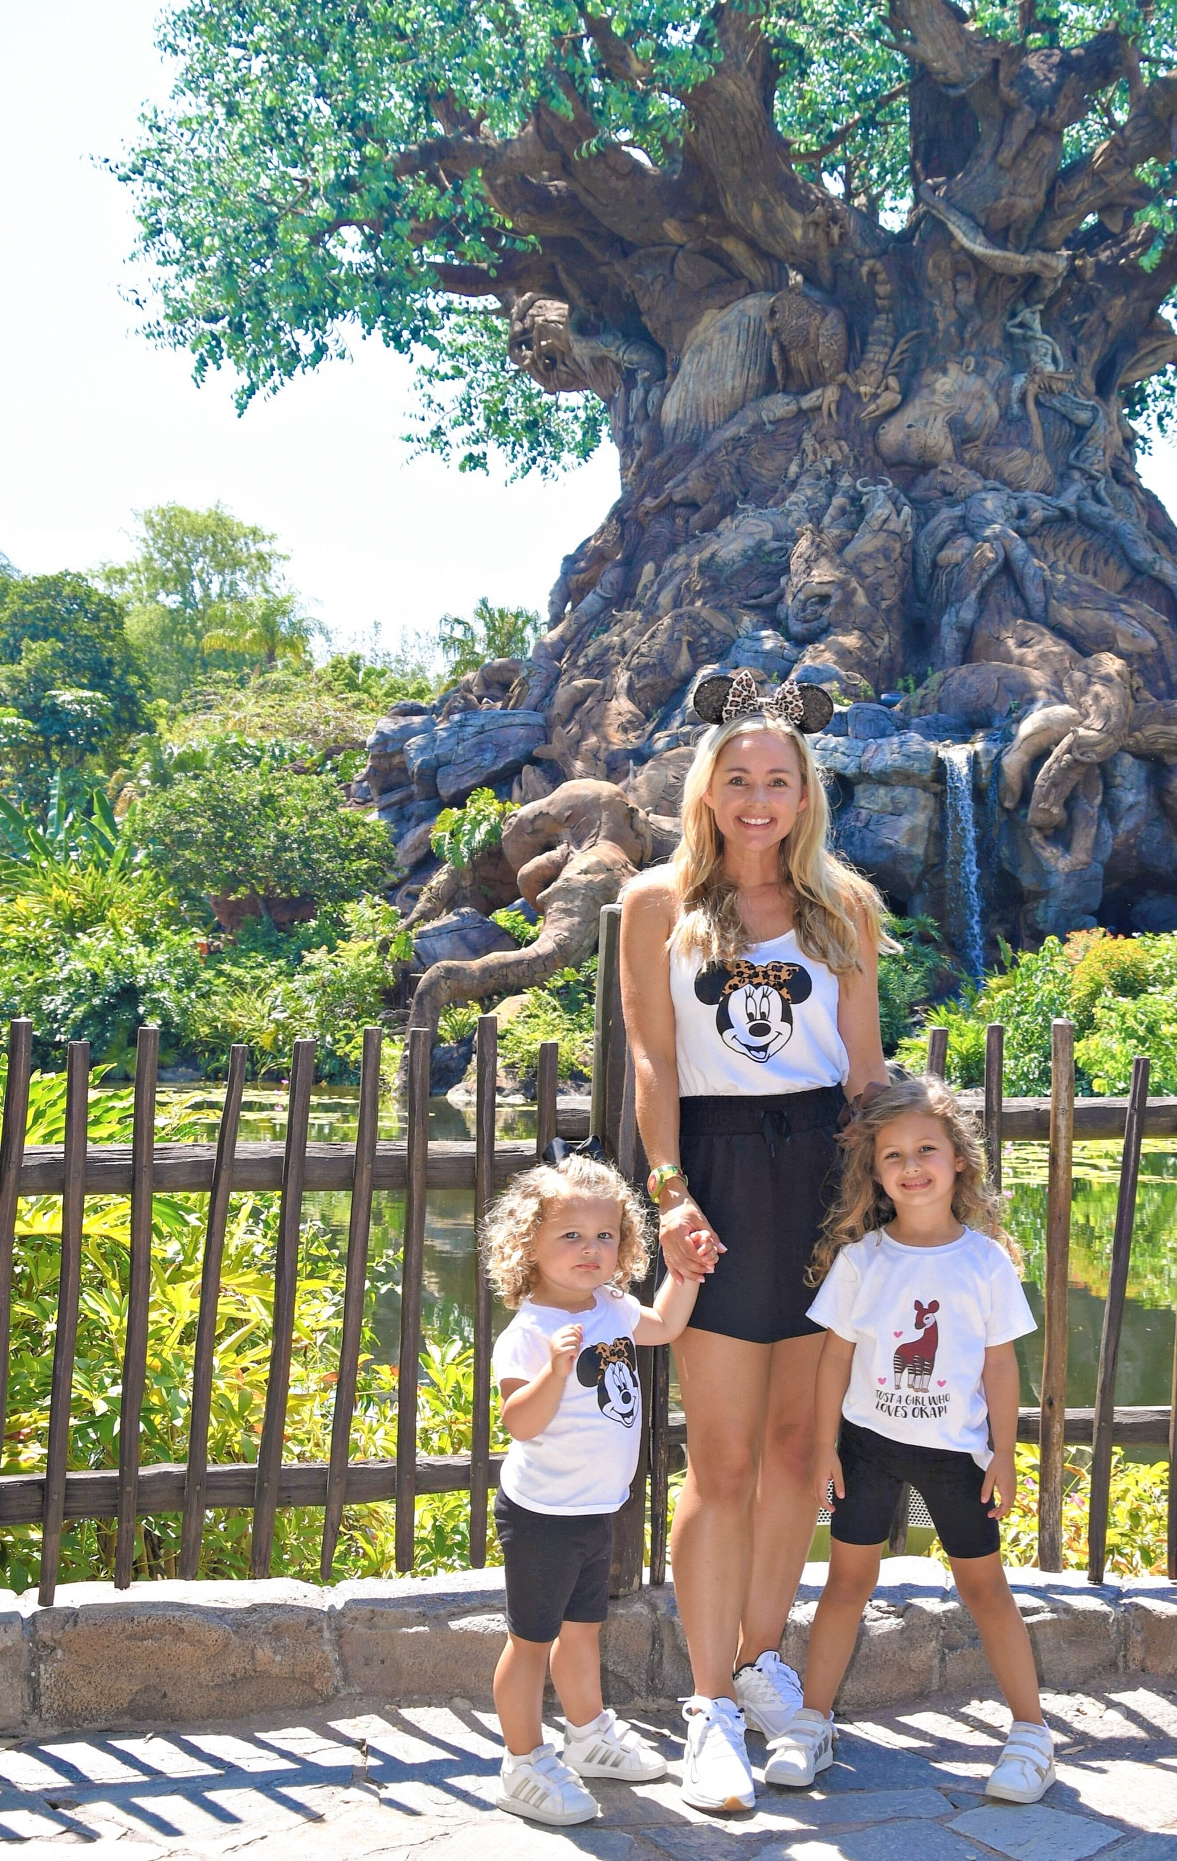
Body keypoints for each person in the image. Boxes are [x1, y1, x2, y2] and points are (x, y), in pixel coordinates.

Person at [619, 669, 890, 1813]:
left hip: (825, 1171)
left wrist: (881, 1212)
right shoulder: (653, 904)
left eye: (779, 779)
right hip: (717, 1175)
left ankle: (762, 1666)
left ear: (805, 792)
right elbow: (653, 1061)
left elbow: (868, 1072)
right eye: (739, 777)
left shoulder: (845, 909)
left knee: (795, 1456)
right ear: (708, 787)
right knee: (719, 1459)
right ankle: (709, 1709)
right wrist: (671, 1193)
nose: (759, 797)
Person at [762, 1077, 1055, 1805]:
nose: (911, 1165)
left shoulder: (985, 1262)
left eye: (926, 1149)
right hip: (865, 1446)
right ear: (875, 1172)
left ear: (958, 1160)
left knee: (984, 1586)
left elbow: (998, 1361)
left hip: (955, 1455)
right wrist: (827, 1444)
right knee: (845, 1584)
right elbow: (834, 1357)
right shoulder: (862, 1260)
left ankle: (1030, 1733)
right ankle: (811, 1723)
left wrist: (1005, 1454)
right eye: (892, 1155)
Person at [483, 1149, 702, 1827]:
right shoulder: (528, 1335)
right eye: (570, 1236)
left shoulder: (609, 1306)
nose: (590, 1249)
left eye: (605, 1236)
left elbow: (663, 1326)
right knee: (529, 1640)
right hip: (541, 1515)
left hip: (594, 1510)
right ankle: (521, 1763)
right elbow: (521, 1424)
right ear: (529, 1245)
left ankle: (586, 1737)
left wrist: (686, 1273)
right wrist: (554, 1370)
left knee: (582, 1631)